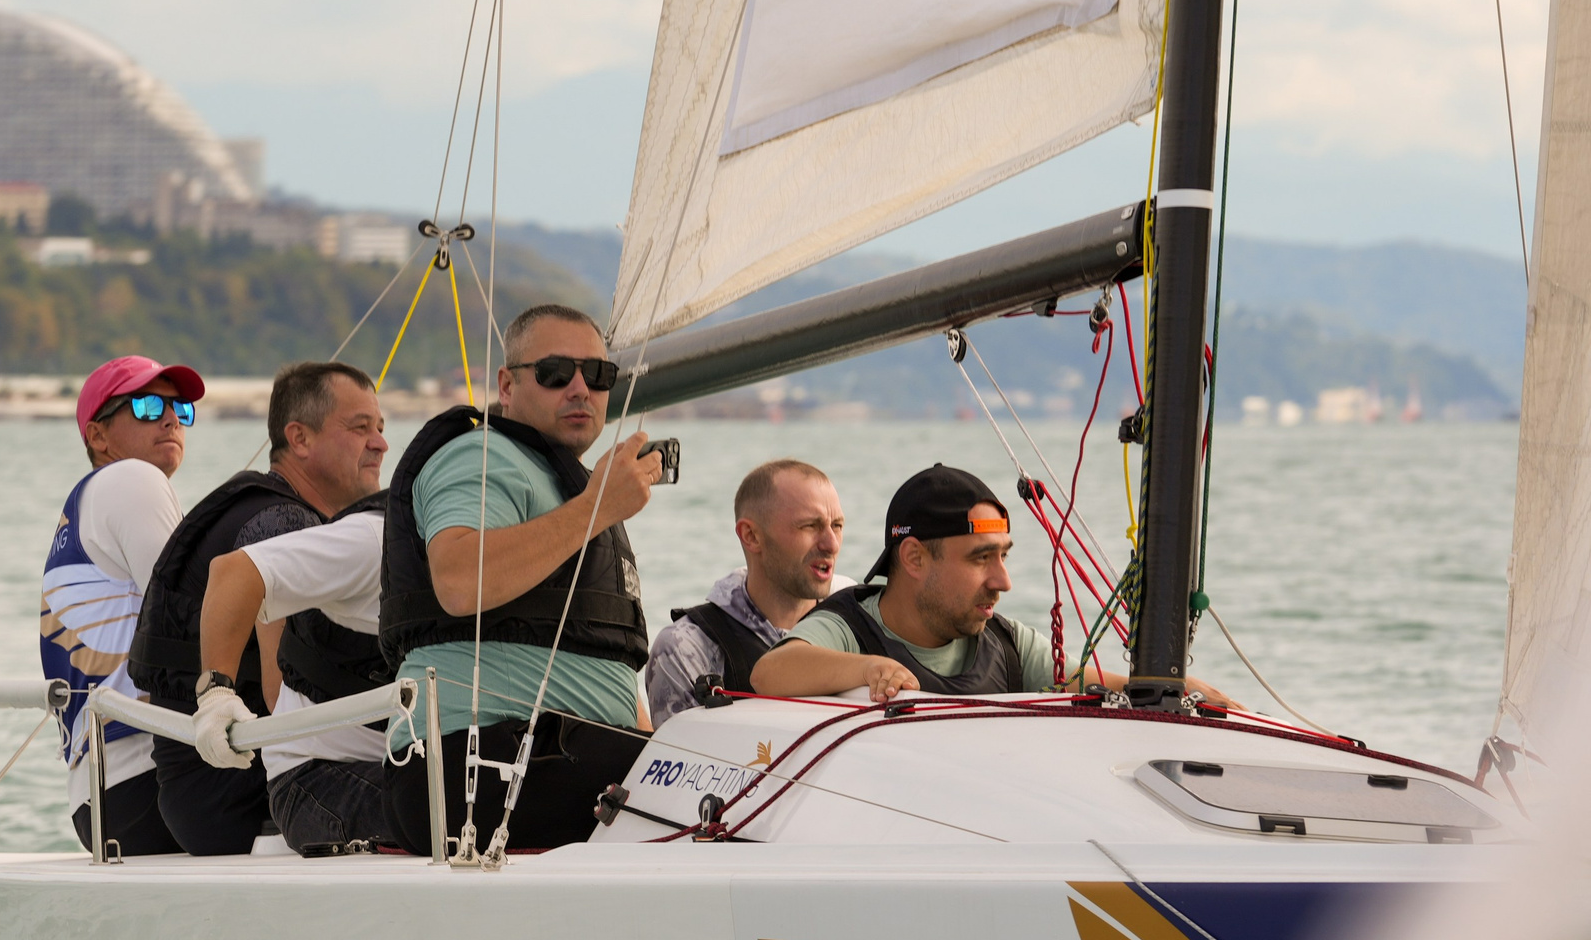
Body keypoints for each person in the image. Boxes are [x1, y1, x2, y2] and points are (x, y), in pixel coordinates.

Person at [378, 303, 662, 854]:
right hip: (476, 764)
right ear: (506, 384)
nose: (581, 388)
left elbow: (609, 655)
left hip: (560, 758)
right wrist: (599, 506)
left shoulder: (574, 490)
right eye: (557, 372)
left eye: (599, 375)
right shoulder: (479, 456)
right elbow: (460, 581)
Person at [128, 360, 390, 854]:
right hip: (230, 796)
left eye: (380, 428)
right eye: (360, 428)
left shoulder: (257, 507)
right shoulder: (284, 523)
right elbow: (278, 690)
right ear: (301, 438)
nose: (380, 443)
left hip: (192, 788)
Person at [751, 462, 1234, 705]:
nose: (1002, 580)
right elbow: (769, 673)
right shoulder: (848, 626)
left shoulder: (1005, 641)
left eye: (1003, 555)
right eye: (981, 558)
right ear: (914, 557)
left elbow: (1079, 682)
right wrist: (869, 669)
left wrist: (1173, 688)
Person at [40, 355, 200, 855]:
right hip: (153, 778)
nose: (171, 418)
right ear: (98, 436)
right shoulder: (132, 479)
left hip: (101, 796)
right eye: (148, 405)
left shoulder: (81, 510)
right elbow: (194, 616)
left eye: (179, 409)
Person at [646, 458, 844, 725]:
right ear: (751, 536)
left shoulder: (860, 620)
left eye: (837, 526)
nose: (831, 543)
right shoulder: (687, 649)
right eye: (810, 526)